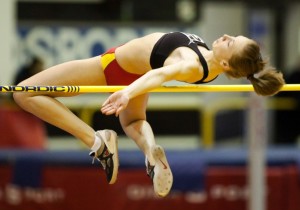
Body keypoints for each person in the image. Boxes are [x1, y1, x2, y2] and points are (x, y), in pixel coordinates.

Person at [13, 32, 285, 197]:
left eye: (231, 42)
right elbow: (159, 70)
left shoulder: (191, 64)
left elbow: (163, 73)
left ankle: (97, 141)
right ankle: (151, 150)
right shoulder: (210, 63)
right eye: (232, 36)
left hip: (114, 67)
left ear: (226, 62)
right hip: (136, 73)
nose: (226, 37)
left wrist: (127, 93)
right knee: (132, 121)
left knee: (24, 93)